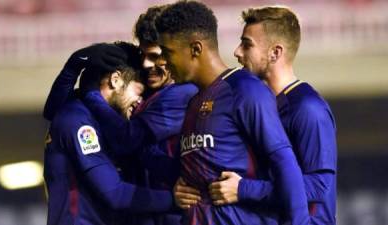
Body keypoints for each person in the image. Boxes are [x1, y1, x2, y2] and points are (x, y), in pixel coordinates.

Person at [155, 1, 309, 225]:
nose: (164, 62)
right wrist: (179, 184)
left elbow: (284, 163)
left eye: (168, 52)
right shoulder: (193, 102)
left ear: (196, 49)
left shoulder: (244, 90)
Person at [44, 42, 174, 225]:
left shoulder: (107, 121)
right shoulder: (77, 120)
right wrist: (177, 199)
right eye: (139, 92)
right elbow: (115, 194)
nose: (140, 102)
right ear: (116, 79)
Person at [230, 6, 337, 225]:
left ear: (275, 53)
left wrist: (243, 189)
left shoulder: (309, 108)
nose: (237, 52)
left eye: (247, 44)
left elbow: (319, 186)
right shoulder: (261, 104)